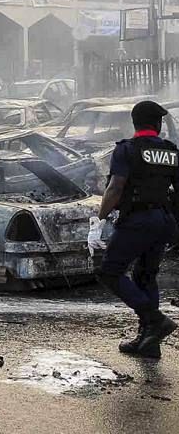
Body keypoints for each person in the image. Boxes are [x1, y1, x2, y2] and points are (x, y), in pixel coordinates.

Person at [95, 100, 179, 358]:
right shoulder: (171, 151)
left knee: (109, 272)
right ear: (157, 124)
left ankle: (154, 320)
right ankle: (149, 343)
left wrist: (101, 217)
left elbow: (115, 187)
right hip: (163, 221)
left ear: (135, 123)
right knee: (146, 275)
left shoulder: (126, 150)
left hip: (138, 221)